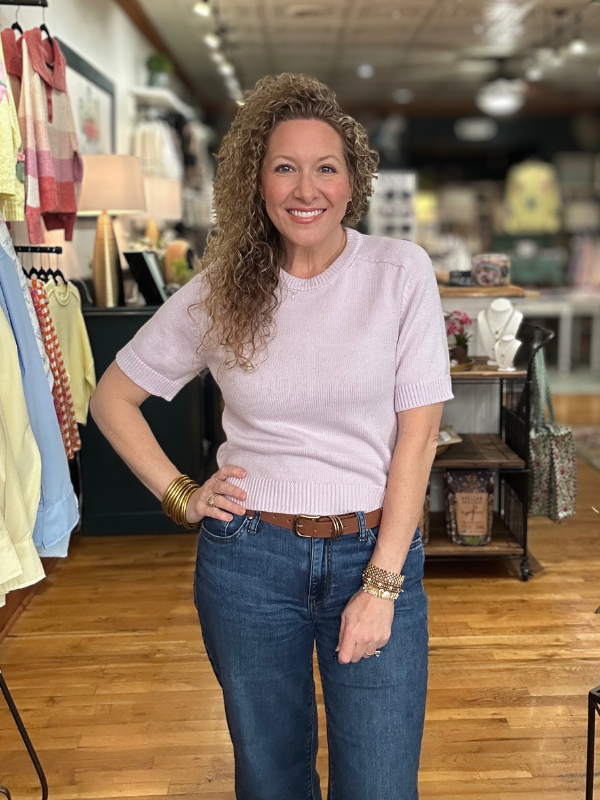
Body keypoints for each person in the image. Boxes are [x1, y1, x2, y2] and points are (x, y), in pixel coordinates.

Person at [91, 73, 453, 800]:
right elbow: (111, 399)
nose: (304, 187)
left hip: (372, 551)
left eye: (326, 167)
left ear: (354, 183)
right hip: (248, 562)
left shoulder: (399, 272)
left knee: (380, 785)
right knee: (270, 779)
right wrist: (181, 495)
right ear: (257, 182)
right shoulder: (221, 288)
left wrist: (382, 584)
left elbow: (417, 439)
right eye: (284, 167)